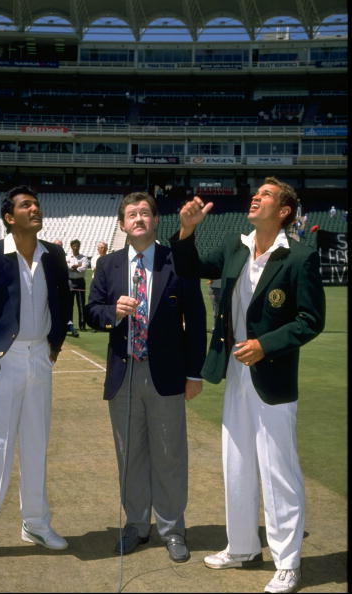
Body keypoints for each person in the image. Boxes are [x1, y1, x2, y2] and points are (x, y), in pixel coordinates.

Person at [170, 177, 325, 593]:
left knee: (279, 472)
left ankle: (287, 561)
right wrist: (186, 231)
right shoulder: (237, 247)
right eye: (256, 193)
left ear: (285, 211)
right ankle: (241, 547)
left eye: (267, 195)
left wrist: (264, 345)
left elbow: (310, 320)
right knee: (235, 464)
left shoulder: (299, 257)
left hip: (271, 375)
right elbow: (190, 267)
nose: (256, 197)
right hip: (234, 371)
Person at [85, 191, 206, 563]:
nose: (138, 219)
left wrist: (194, 372)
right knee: (130, 455)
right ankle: (137, 525)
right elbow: (91, 312)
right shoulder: (107, 265)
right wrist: (111, 313)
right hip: (124, 374)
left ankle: (172, 529)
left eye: (145, 213)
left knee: (169, 455)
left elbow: (197, 319)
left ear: (155, 221)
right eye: (131, 214)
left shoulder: (176, 260)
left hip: (166, 374)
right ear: (122, 224)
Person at [0, 185, 71, 567]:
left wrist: (55, 342)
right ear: (9, 216)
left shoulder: (53, 255)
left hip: (40, 360)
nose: (34, 209)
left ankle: (35, 523)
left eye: (36, 204)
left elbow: (62, 300)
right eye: (26, 205)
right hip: (2, 363)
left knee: (36, 445)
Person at [54, 239, 79, 338]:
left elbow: (66, 271)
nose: (59, 247)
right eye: (57, 245)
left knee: (67, 306)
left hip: (64, 285)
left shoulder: (64, 256)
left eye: (60, 245)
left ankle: (68, 324)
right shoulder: (49, 256)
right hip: (54, 286)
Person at [66, 239, 87, 331]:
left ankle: (82, 325)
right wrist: (75, 266)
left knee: (81, 304)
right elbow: (66, 266)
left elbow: (84, 268)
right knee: (69, 304)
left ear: (79, 246)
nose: (76, 247)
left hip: (80, 282)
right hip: (70, 282)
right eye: (74, 246)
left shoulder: (83, 258)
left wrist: (73, 267)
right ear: (71, 247)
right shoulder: (67, 257)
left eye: (77, 245)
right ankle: (69, 324)